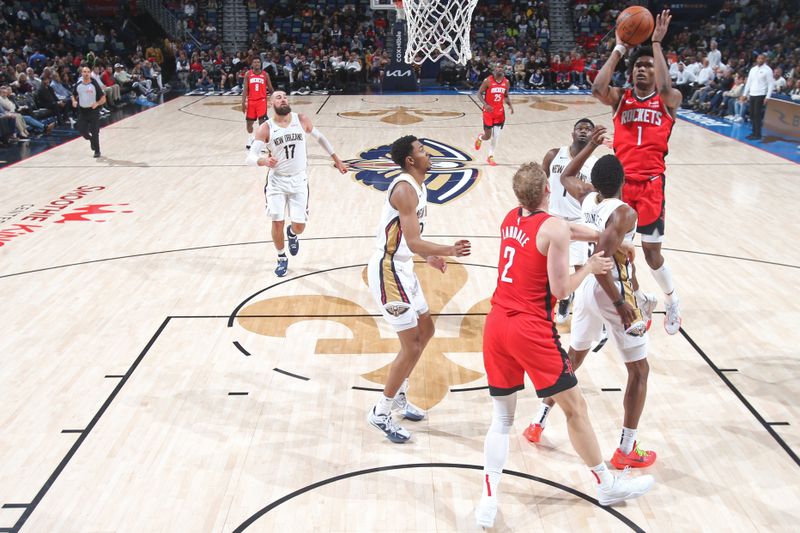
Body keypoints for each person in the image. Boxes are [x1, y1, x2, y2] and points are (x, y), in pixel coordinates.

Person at [475, 160, 654, 528]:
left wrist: (610, 242)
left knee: (501, 420)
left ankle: (488, 500)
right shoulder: (552, 226)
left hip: (495, 326)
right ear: (546, 190)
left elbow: (567, 229)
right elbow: (560, 290)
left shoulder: (511, 218)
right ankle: (606, 484)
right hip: (529, 329)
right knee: (576, 408)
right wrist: (589, 268)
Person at [524, 127, 658, 468]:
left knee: (573, 359)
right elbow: (604, 261)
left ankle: (538, 422)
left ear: (595, 183)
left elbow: (566, 174)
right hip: (607, 286)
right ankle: (626, 448)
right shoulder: (624, 213)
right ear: (623, 180)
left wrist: (591, 147)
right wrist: (621, 303)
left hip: (585, 289)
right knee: (639, 370)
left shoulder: (587, 198)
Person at [366, 135, 471, 443]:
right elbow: (411, 241)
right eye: (423, 152)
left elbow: (409, 239)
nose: (429, 155)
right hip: (388, 271)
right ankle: (380, 411)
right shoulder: (404, 190)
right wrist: (449, 250)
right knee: (411, 344)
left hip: (403, 268)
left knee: (426, 331)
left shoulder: (419, 187)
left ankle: (398, 396)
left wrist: (430, 256)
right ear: (410, 160)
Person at [591, 9, 682, 334]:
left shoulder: (668, 100)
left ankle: (672, 300)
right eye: (638, 66)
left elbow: (669, 87)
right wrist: (619, 48)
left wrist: (655, 44)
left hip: (653, 186)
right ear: (631, 74)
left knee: (651, 253)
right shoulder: (621, 99)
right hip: (622, 187)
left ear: (656, 72)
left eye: (648, 67)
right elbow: (597, 88)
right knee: (617, 250)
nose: (642, 70)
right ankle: (635, 301)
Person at [245, 91, 347, 277]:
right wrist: (263, 161)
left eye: (284, 96)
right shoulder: (266, 128)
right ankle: (281, 257)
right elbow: (250, 157)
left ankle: (291, 233)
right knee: (277, 221)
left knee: (300, 226)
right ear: (271, 103)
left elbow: (320, 138)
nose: (283, 99)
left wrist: (336, 159)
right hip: (277, 181)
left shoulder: (300, 119)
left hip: (299, 180)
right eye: (278, 97)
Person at [541, 118, 599, 326]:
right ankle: (564, 298)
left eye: (588, 129)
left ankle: (581, 303)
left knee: (579, 265)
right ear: (572, 133)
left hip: (578, 221)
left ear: (594, 136)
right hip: (554, 218)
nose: (583, 131)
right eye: (580, 128)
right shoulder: (554, 154)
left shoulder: (595, 164)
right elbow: (540, 181)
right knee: (553, 266)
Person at [475, 63, 514, 166]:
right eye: (498, 67)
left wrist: (510, 105)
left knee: (496, 136)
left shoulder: (506, 82)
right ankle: (480, 138)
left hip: (499, 113)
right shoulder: (488, 81)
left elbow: (505, 95)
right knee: (487, 136)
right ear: (494, 70)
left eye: (502, 67)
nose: (500, 69)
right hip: (488, 112)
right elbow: (479, 93)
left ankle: (490, 156)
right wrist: (485, 104)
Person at [71, 65, 106, 158]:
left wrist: (97, 103)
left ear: (90, 73)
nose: (86, 74)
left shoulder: (94, 84)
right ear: (81, 73)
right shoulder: (78, 85)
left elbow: (103, 98)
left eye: (88, 72)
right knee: (82, 130)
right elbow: (73, 95)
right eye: (84, 72)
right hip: (82, 111)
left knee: (95, 132)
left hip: (93, 111)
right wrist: (74, 101)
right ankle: (91, 140)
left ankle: (97, 151)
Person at [242, 57, 274, 150]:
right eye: (255, 62)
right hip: (251, 102)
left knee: (262, 123)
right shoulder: (248, 74)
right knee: (249, 124)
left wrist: (276, 97)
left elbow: (271, 89)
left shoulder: (265, 75)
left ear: (261, 64)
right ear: (252, 64)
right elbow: (245, 90)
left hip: (262, 101)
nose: (257, 63)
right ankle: (251, 138)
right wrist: (243, 102)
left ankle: (262, 143)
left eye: (258, 62)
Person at [740, 54, 775, 141]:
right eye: (759, 58)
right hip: (752, 94)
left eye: (762, 59)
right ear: (756, 59)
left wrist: (768, 97)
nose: (760, 60)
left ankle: (758, 134)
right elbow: (749, 82)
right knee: (751, 114)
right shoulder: (753, 69)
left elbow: (771, 84)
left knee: (757, 114)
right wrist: (745, 94)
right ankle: (754, 132)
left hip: (761, 94)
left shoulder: (768, 70)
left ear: (764, 60)